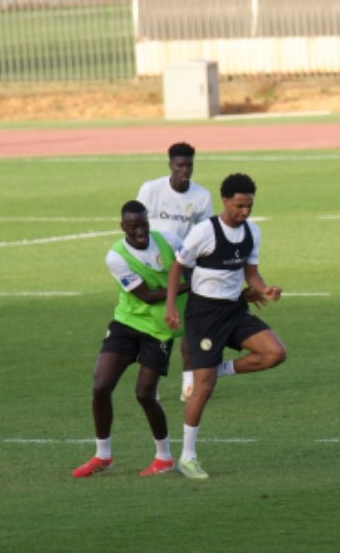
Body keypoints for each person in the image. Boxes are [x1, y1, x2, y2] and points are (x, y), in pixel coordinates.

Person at [163, 173, 287, 480]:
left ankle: (217, 368)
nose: (245, 212)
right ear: (226, 201)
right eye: (240, 205)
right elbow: (178, 267)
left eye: (250, 206)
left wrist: (264, 289)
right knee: (202, 389)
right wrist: (170, 307)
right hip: (204, 315)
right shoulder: (204, 232)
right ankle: (188, 457)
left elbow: (252, 273)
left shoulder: (252, 232)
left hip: (234, 309)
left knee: (275, 353)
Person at [72, 201, 188, 478]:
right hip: (127, 323)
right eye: (133, 226)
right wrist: (188, 287)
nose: (140, 231)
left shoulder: (169, 241)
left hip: (159, 329)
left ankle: (164, 457)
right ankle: (103, 455)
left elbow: (194, 265)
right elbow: (146, 295)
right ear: (122, 226)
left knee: (144, 394)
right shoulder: (116, 256)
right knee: (101, 386)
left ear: (149, 221)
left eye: (143, 224)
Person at [137, 142, 213, 402]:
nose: (185, 170)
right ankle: (151, 385)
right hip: (153, 267)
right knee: (155, 329)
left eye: (189, 165)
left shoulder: (201, 196)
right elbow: (136, 222)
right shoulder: (151, 189)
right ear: (170, 165)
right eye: (180, 165)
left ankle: (188, 385)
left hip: (185, 266)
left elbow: (205, 235)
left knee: (189, 325)